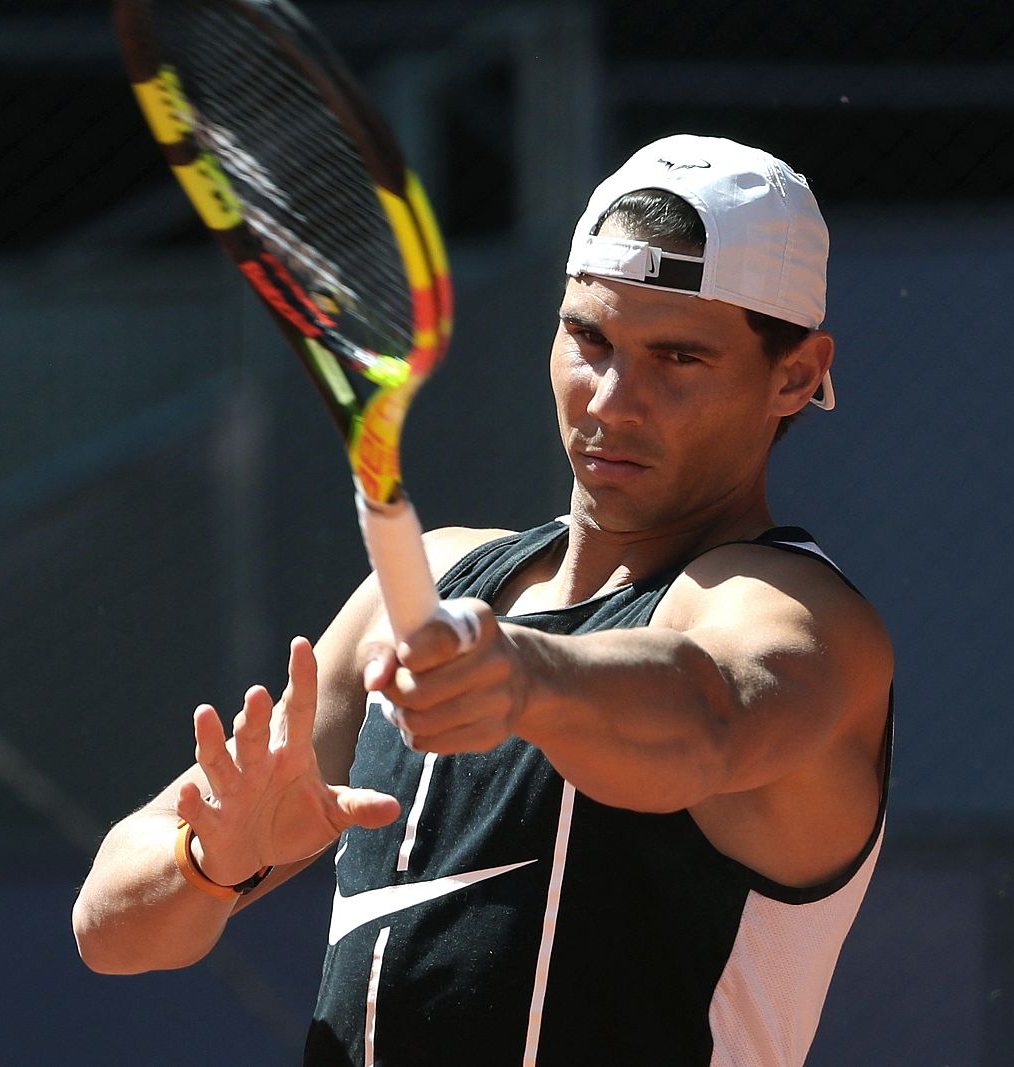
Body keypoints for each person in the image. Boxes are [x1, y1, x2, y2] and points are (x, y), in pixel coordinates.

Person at [72, 134, 893, 1067]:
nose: (612, 401)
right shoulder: (426, 582)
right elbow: (109, 931)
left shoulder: (797, 617)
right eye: (589, 338)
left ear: (794, 373)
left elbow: (707, 713)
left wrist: (521, 673)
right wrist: (209, 866)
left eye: (678, 359)